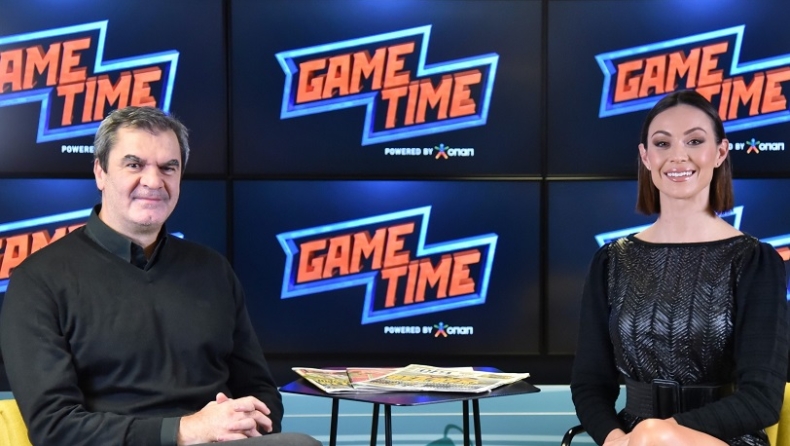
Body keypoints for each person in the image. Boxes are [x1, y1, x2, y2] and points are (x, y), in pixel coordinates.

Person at [0, 106, 321, 446]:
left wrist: (248, 421)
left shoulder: (213, 270)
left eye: (168, 167)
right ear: (100, 172)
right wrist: (185, 430)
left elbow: (259, 390)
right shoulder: (39, 280)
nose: (153, 182)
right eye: (134, 165)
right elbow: (54, 427)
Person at [570, 90, 788, 446]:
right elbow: (589, 384)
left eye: (694, 141)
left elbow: (761, 399)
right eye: (662, 143)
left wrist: (661, 433)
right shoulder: (611, 261)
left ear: (720, 152)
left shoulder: (755, 261)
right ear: (645, 156)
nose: (677, 156)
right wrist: (614, 439)